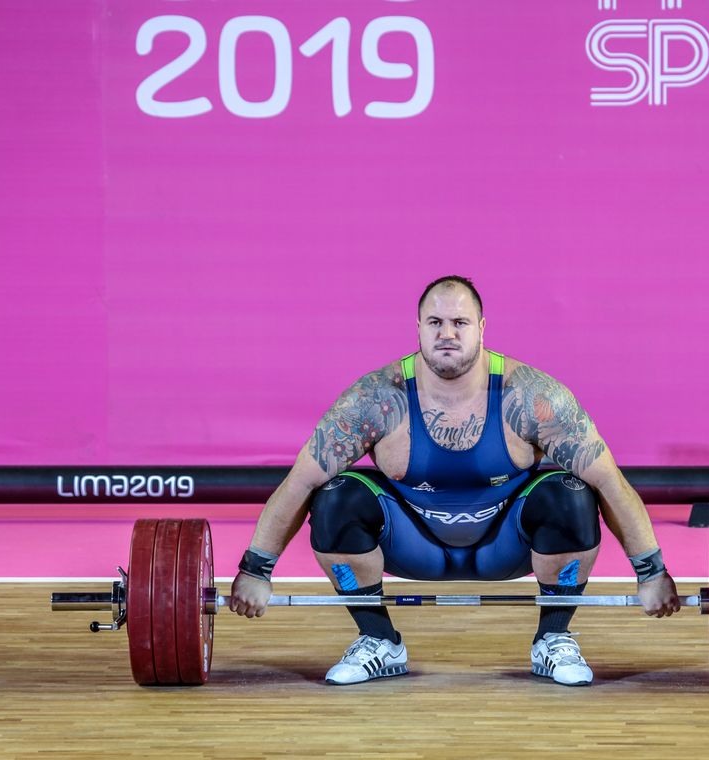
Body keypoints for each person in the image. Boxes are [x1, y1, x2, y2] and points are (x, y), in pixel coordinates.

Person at [230, 275, 681, 686]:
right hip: (412, 544)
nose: (447, 333)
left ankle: (552, 640)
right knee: (335, 495)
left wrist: (652, 572)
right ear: (418, 328)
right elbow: (297, 484)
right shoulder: (377, 398)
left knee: (571, 492)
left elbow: (611, 482)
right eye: (436, 322)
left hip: (504, 545)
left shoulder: (529, 396)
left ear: (482, 328)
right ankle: (380, 641)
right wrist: (255, 570)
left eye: (460, 322)